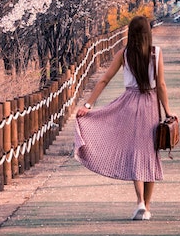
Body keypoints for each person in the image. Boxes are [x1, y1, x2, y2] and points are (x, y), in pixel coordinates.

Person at [74, 14, 173, 221]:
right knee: (150, 154)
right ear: (148, 33)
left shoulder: (124, 54)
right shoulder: (156, 53)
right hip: (150, 106)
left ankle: (139, 202)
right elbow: (161, 85)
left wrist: (88, 105)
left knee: (134, 152)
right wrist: (168, 111)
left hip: (128, 104)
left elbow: (104, 79)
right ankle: (147, 206)